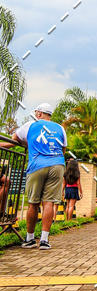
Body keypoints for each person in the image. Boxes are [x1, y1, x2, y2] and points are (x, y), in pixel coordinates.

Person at [0, 103, 67, 250]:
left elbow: (14, 140)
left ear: (39, 114)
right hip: (57, 165)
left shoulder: (30, 125)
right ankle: (44, 240)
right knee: (49, 203)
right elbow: (63, 150)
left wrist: (29, 143)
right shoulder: (60, 128)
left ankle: (30, 239)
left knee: (33, 203)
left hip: (37, 165)